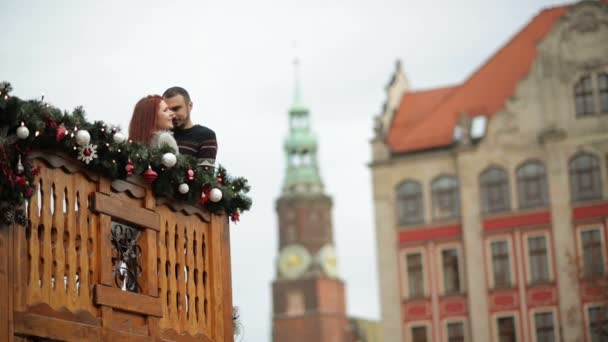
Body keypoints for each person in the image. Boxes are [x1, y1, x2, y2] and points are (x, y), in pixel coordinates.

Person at [162, 86, 217, 167]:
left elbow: (206, 176)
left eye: (176, 108)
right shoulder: (159, 136)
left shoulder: (205, 136)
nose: (172, 114)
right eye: (167, 110)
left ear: (190, 106)